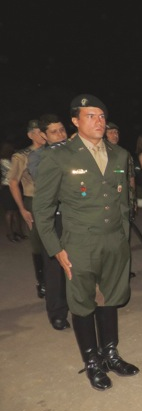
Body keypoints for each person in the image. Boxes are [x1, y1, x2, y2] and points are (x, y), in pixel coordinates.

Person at [33, 94, 139, 391]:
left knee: (110, 298)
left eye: (102, 116)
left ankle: (111, 354)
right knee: (82, 304)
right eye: (90, 116)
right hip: (80, 244)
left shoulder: (120, 155)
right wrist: (56, 250)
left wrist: (123, 241)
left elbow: (123, 205)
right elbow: (42, 211)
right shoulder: (59, 156)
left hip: (113, 242)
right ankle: (92, 362)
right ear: (75, 121)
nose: (99, 121)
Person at [28, 114, 71, 330]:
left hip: (74, 216)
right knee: (54, 266)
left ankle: (78, 303)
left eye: (62, 129)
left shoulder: (75, 152)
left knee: (78, 263)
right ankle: (57, 312)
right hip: (54, 218)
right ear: (44, 136)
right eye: (54, 131)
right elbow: (49, 183)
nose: (61, 134)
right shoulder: (38, 157)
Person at [7, 120, 49, 300]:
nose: (43, 135)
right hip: (34, 200)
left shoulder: (54, 151)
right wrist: (22, 209)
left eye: (44, 131)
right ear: (30, 134)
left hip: (55, 200)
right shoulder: (21, 156)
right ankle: (42, 282)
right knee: (38, 243)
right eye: (39, 132)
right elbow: (13, 182)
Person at [106, 121, 137, 278]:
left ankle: (124, 270)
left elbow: (130, 177)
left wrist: (132, 201)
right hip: (108, 206)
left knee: (124, 238)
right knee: (109, 241)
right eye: (111, 132)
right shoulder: (101, 154)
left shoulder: (125, 154)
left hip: (123, 203)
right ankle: (111, 271)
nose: (115, 135)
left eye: (116, 132)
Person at [1, 141, 26, 242]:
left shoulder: (11, 159)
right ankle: (10, 233)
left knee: (16, 211)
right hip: (7, 187)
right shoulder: (4, 161)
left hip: (14, 186)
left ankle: (19, 232)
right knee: (10, 211)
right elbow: (13, 171)